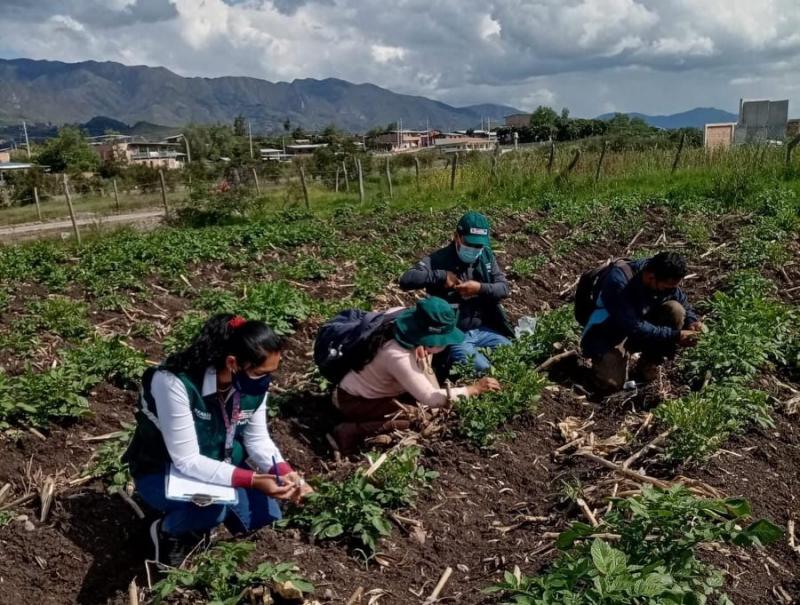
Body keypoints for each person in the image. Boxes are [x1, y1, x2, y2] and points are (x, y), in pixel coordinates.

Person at [124, 314, 313, 566]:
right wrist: (254, 480)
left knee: (265, 519)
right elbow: (187, 460)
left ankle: (199, 524)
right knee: (213, 510)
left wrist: (283, 471)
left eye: (270, 374)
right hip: (163, 471)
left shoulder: (249, 386)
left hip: (218, 467)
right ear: (233, 362)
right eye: (260, 373)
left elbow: (258, 440)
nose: (266, 381)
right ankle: (165, 531)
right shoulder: (175, 382)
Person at [332, 297, 501, 453]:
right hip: (355, 401)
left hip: (368, 387)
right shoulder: (397, 355)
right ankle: (351, 431)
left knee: (428, 408)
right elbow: (432, 398)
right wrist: (474, 389)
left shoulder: (402, 318)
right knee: (418, 419)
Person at [399, 211, 513, 374]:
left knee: (511, 354)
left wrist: (479, 288)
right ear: (456, 237)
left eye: (478, 246)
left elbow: (503, 288)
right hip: (454, 335)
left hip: (482, 330)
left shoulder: (486, 257)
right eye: (469, 244)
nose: (474, 250)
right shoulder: (439, 259)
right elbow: (406, 279)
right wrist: (440, 276)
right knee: (482, 368)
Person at [580, 252, 703, 392]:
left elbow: (681, 300)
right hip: (609, 331)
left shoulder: (662, 277)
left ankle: (649, 363)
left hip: (638, 327)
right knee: (611, 384)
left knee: (676, 310)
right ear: (651, 277)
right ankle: (596, 367)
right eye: (668, 287)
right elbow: (634, 326)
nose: (672, 290)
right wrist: (675, 336)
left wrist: (692, 321)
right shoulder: (619, 282)